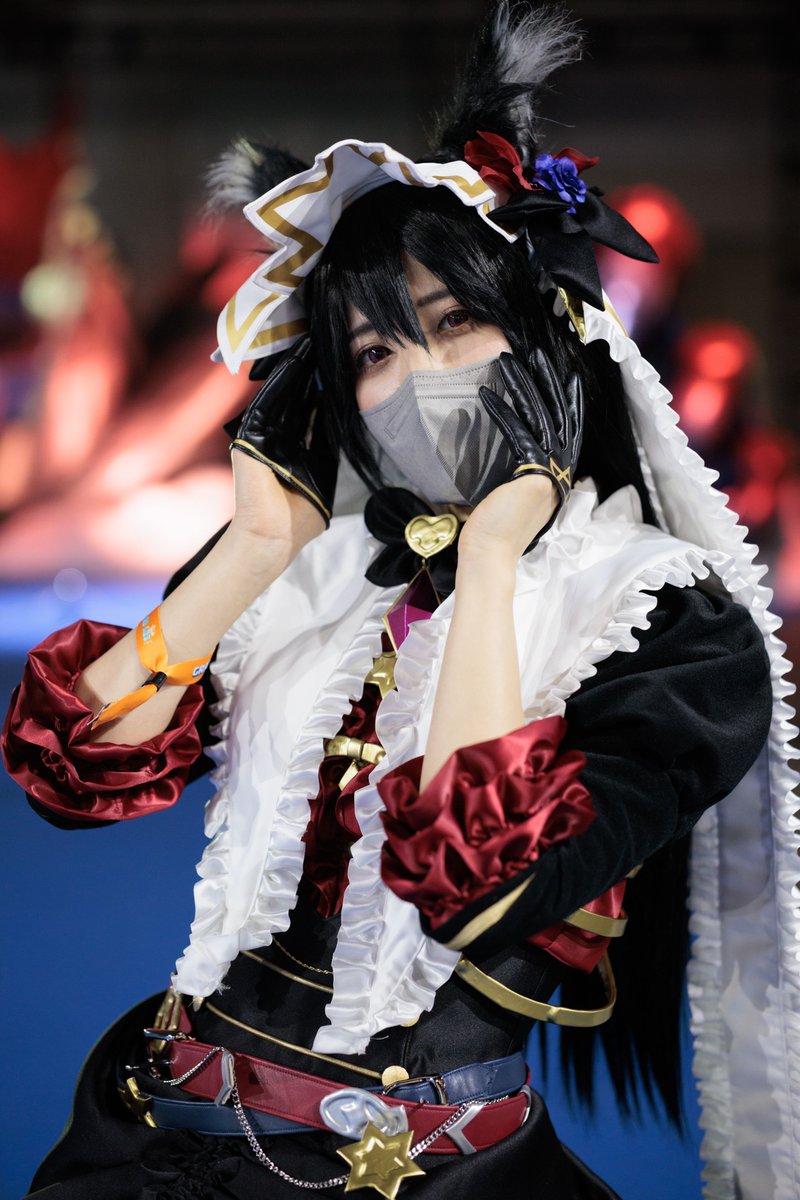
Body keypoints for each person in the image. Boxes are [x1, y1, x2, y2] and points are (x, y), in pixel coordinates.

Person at [3, 4, 798, 1198]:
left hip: (430, 1171)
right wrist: (254, 548)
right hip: (156, 1134)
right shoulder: (309, 573)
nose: (417, 378)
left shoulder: (664, 622)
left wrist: (492, 561)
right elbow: (71, 777)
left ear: (547, 338)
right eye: (372, 353)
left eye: (454, 323)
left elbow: (487, 887)